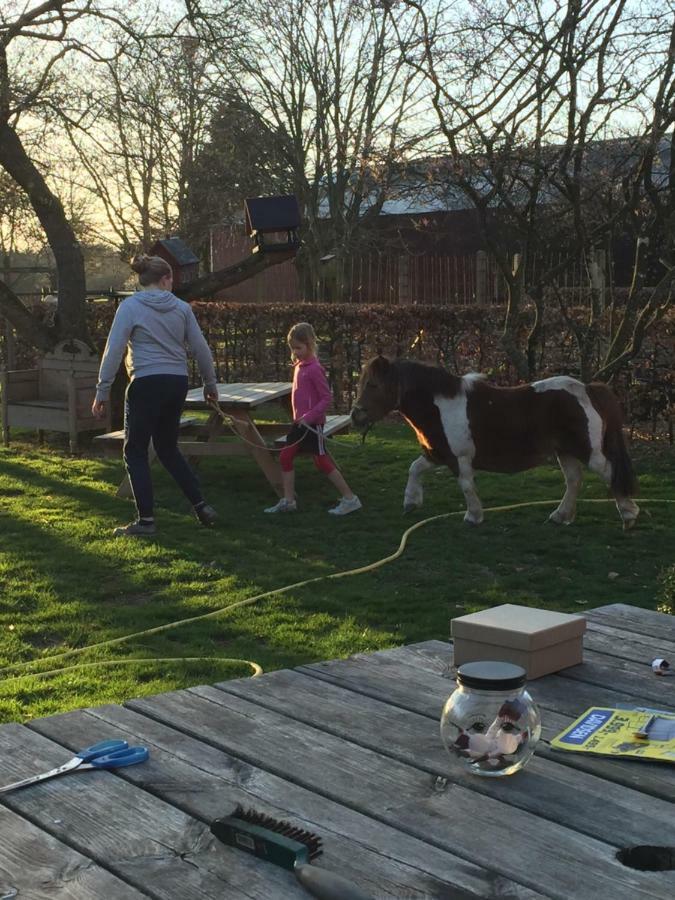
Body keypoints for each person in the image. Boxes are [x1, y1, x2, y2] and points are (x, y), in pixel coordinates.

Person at [92, 255, 219, 536]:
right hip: (176, 382)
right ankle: (201, 505)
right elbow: (201, 348)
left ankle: (146, 521)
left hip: (146, 382)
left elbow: (113, 350)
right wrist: (211, 384)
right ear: (164, 279)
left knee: (135, 451)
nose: (173, 284)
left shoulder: (130, 307)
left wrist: (102, 389)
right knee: (167, 448)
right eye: (172, 278)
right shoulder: (182, 309)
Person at [264, 322, 361, 516]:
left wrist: (309, 418)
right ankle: (289, 501)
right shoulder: (300, 366)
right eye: (292, 348)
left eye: (298, 348)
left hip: (312, 424)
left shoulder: (315, 369)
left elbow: (326, 398)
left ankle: (350, 499)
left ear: (309, 344)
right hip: (299, 424)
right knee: (285, 457)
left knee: (322, 462)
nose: (295, 352)